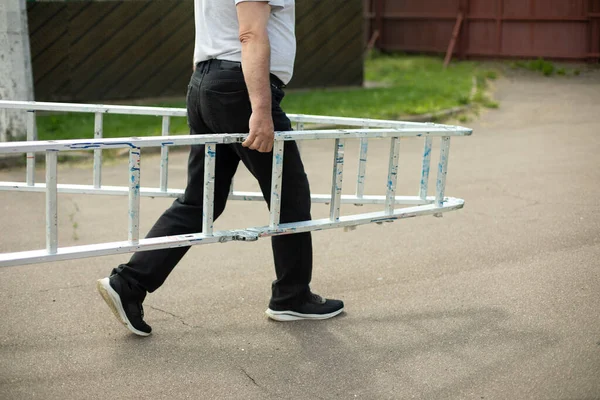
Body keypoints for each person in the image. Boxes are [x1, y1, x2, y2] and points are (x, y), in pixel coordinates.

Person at [96, 0, 344, 336]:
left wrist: (210, 89)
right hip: (238, 86)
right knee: (290, 194)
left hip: (209, 81)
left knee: (201, 199)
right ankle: (292, 296)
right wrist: (261, 109)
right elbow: (250, 33)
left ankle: (129, 283)